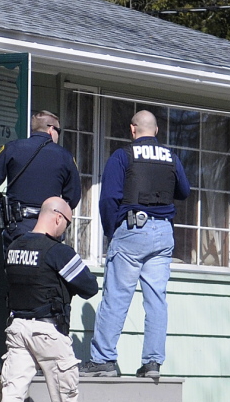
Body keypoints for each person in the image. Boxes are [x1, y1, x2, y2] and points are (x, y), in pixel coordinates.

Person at [0, 196, 112, 402]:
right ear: (58, 218)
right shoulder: (57, 252)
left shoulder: (14, 247)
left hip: (17, 328)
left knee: (12, 392)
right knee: (65, 394)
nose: (65, 229)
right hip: (47, 331)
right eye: (67, 224)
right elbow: (89, 287)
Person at [81, 110, 190, 380]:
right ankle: (152, 363)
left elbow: (108, 199)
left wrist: (111, 232)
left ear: (133, 130)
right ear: (156, 131)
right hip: (164, 233)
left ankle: (104, 360)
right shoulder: (171, 157)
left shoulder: (123, 156)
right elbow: (184, 191)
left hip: (132, 229)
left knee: (117, 297)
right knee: (156, 300)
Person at [0, 110, 81, 249]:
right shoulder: (66, 157)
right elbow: (72, 198)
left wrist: (3, 202)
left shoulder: (12, 148)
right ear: (51, 129)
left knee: (15, 268)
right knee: (44, 269)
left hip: (17, 226)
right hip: (49, 229)